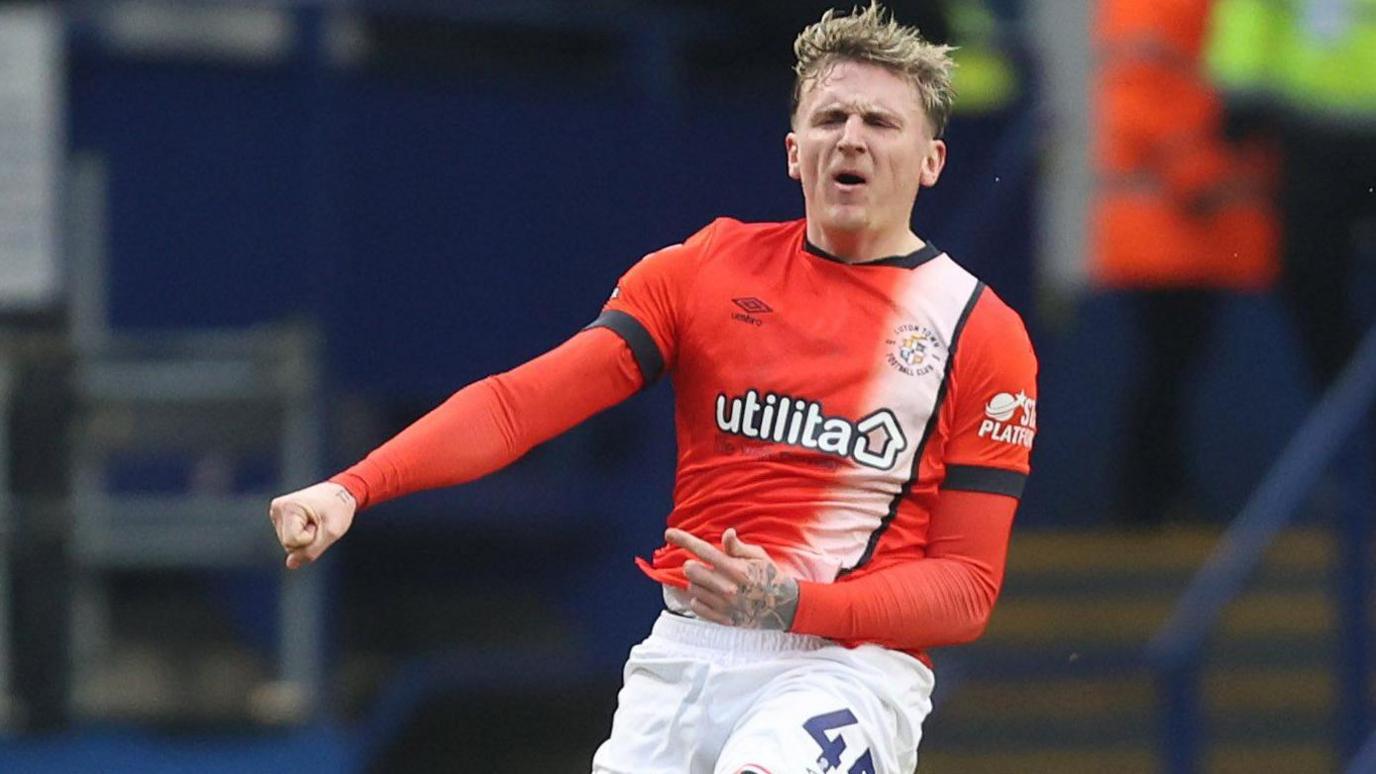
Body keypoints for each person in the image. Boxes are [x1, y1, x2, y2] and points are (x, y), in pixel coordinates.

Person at [268, 4, 1038, 772]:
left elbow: (966, 590)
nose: (852, 137)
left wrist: (797, 604)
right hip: (685, 652)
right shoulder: (704, 271)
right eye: (831, 116)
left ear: (933, 160)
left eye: (880, 121)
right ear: (794, 151)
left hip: (848, 666)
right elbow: (517, 405)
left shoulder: (979, 330)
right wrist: (353, 488)